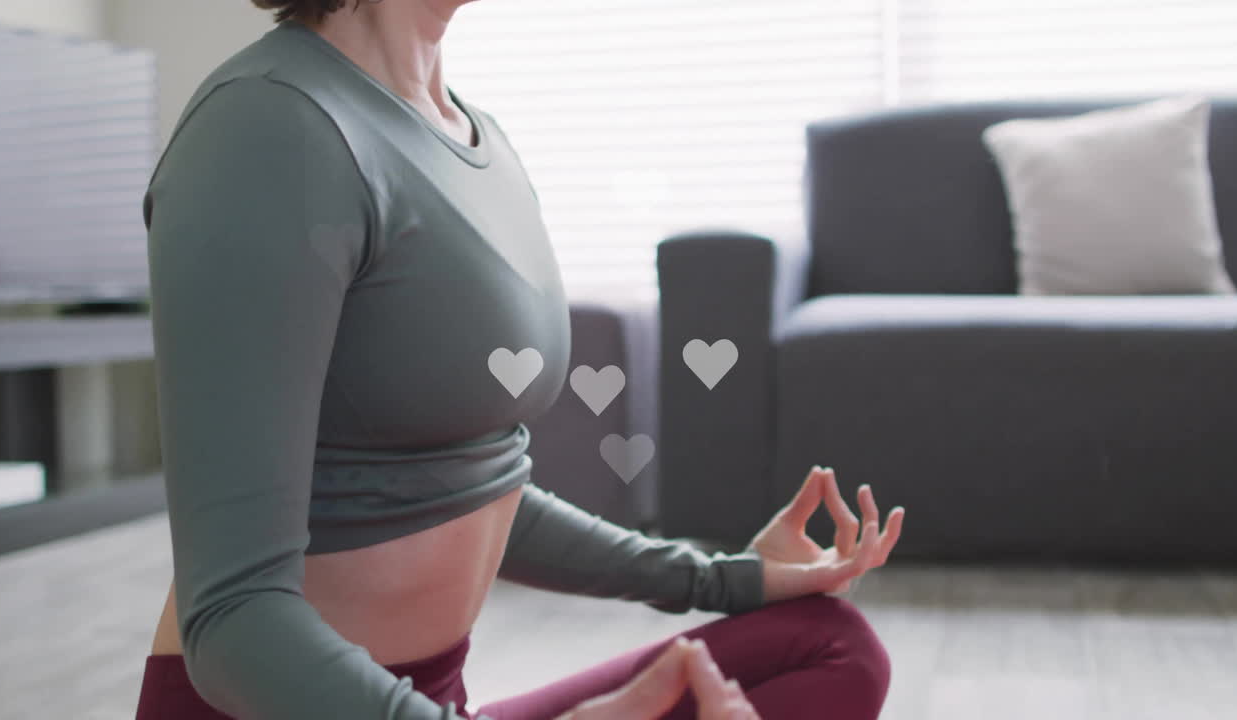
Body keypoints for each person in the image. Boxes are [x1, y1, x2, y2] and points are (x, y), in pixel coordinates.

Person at [132, 1, 906, 718]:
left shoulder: (477, 135)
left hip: (436, 704)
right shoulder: (266, 129)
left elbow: (480, 495)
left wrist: (725, 578)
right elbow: (233, 619)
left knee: (831, 648)